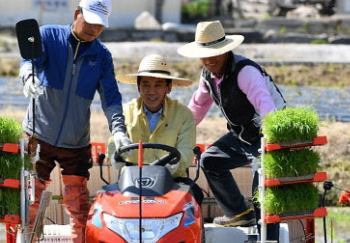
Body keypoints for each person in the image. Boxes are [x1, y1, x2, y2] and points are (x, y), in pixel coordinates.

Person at [19, 0, 131, 243]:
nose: (94, 29)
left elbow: (111, 98)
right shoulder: (49, 36)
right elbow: (29, 61)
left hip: (75, 141)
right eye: (90, 21)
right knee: (31, 203)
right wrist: (28, 76)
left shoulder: (102, 56)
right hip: (38, 135)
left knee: (79, 208)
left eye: (100, 25)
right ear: (76, 14)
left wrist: (118, 130)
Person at [178, 20, 286, 227]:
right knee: (210, 161)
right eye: (205, 54)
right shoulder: (208, 76)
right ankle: (239, 213)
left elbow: (267, 108)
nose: (209, 59)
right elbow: (197, 107)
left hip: (269, 134)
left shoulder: (245, 72)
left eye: (215, 53)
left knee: (262, 182)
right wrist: (179, 135)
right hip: (242, 135)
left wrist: (271, 148)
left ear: (226, 51)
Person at [107, 54, 202, 204]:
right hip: (130, 181)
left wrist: (173, 166)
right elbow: (114, 145)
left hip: (171, 179)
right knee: (105, 199)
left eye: (158, 85)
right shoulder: (124, 112)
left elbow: (186, 151)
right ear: (138, 87)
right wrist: (115, 157)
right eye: (146, 85)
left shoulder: (183, 114)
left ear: (168, 88)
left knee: (194, 195)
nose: (151, 91)